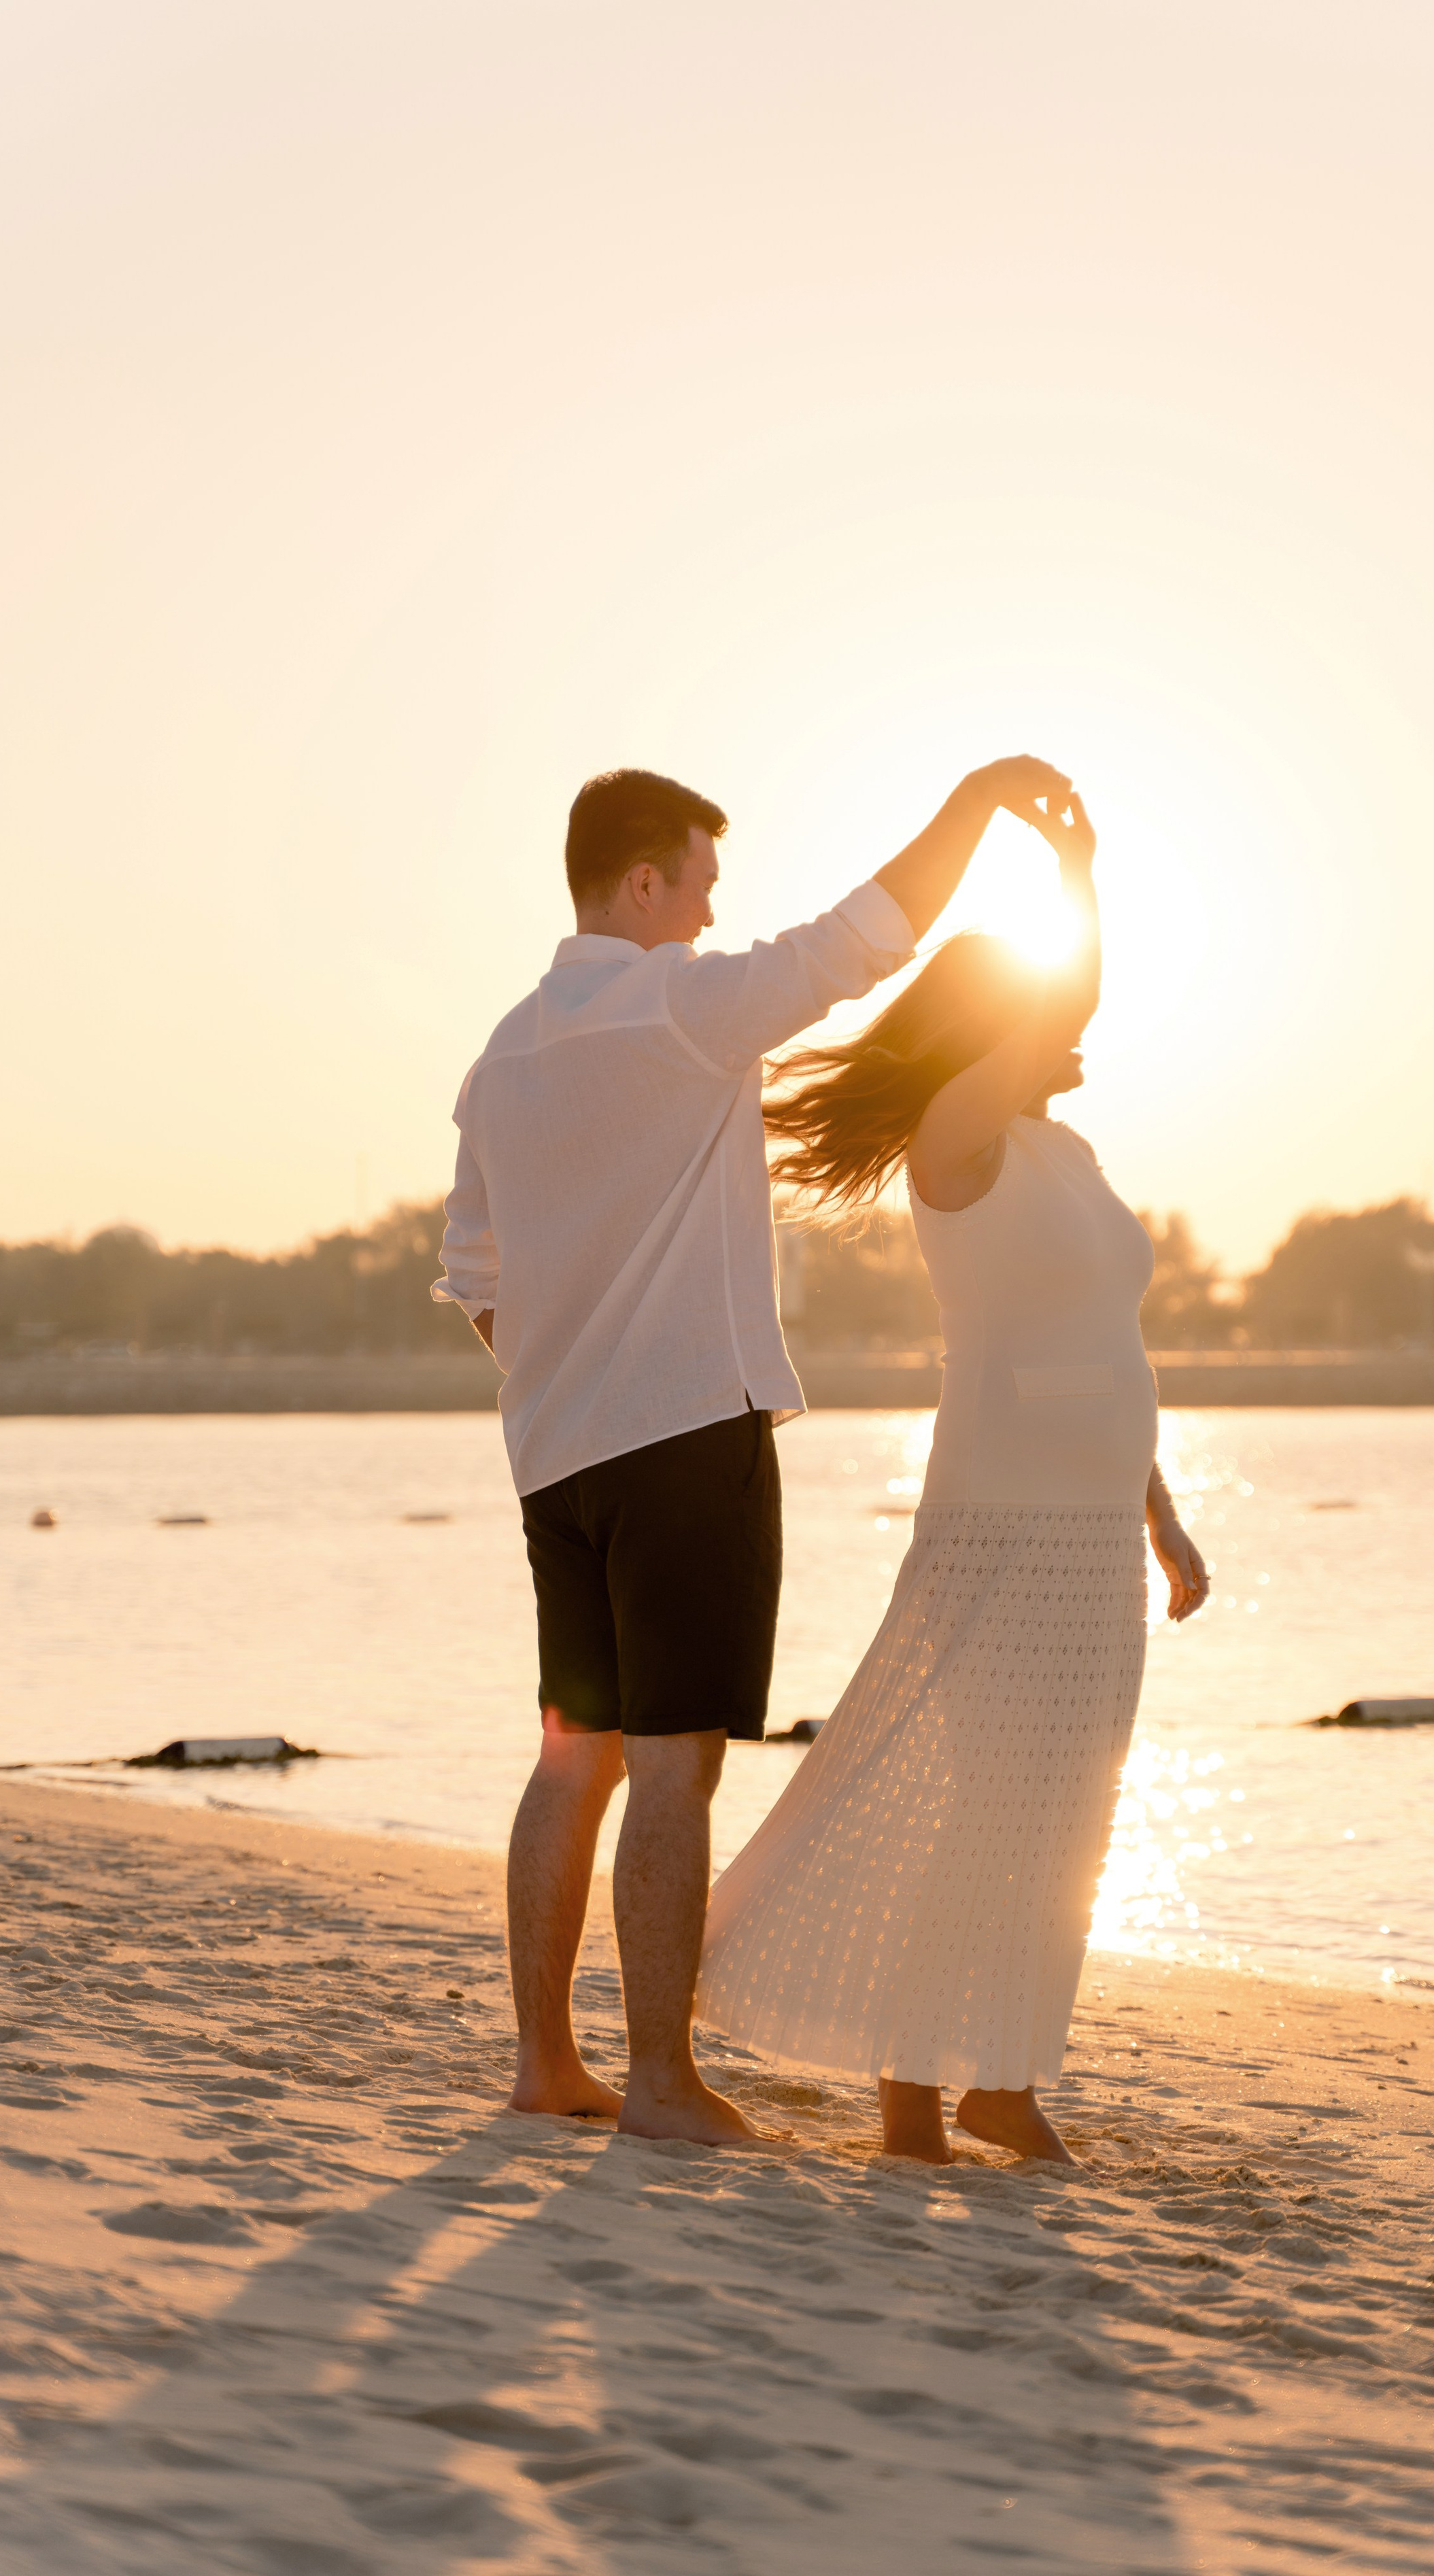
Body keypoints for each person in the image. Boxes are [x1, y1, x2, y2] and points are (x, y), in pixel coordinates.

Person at [432, 757, 1076, 2147]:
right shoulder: (675, 1009)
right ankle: (659, 2081)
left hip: (556, 1457)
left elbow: (472, 1276)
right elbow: (861, 939)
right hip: (681, 1443)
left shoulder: (501, 1058)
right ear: (644, 881)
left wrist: (563, 1378)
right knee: (673, 1766)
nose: (714, 916)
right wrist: (974, 801)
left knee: (571, 1759)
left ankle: (547, 2065)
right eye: (701, 887)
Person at [696, 786, 1210, 2163]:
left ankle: (1003, 2076)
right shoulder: (955, 1149)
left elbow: (1106, 1344)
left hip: (1096, 1524)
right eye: (1052, 1021)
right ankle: (914, 2098)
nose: (1078, 1039)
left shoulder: (1067, 1156)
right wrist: (1078, 875)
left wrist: (1162, 1521)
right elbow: (1059, 1004)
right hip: (1005, 1522)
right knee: (976, 1798)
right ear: (999, 1032)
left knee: (1062, 1815)